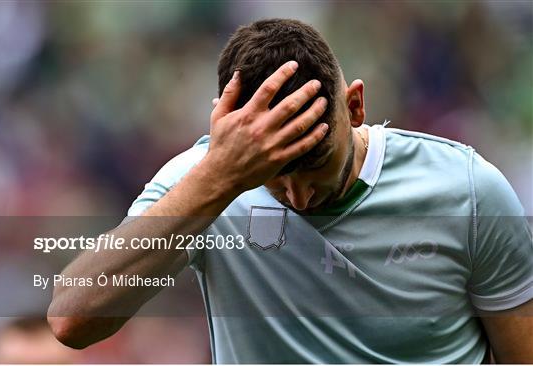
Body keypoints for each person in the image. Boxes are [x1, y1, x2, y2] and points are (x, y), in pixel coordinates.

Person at [48, 19, 533, 363]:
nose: (299, 199)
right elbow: (73, 321)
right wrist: (220, 177)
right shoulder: (203, 186)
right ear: (223, 127)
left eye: (314, 165)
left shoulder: (467, 190)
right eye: (272, 174)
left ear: (355, 107)